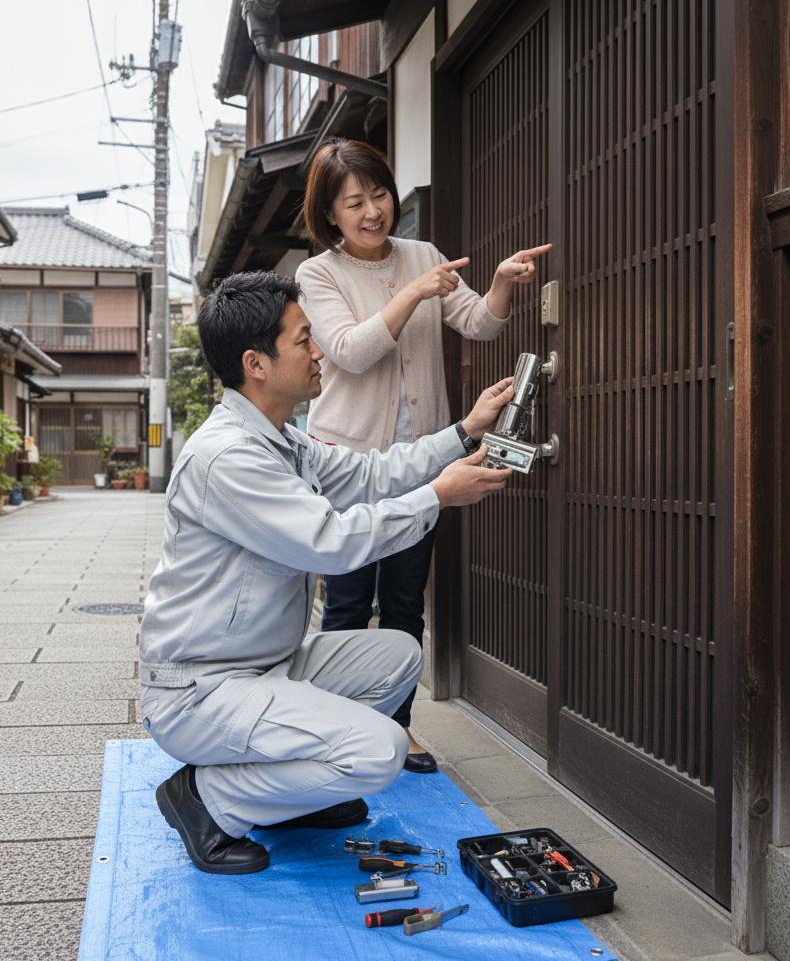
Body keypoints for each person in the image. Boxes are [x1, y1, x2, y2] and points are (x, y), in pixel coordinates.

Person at [139, 270, 515, 875]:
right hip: (200, 689)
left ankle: (289, 800)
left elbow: (370, 476)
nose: (319, 352)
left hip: (267, 665)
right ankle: (207, 799)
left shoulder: (282, 439)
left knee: (398, 655)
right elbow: (331, 543)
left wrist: (463, 432)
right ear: (255, 363)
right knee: (381, 750)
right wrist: (439, 497)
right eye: (303, 339)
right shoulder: (229, 456)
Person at [296, 138, 552, 772]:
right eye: (353, 203)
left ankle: (399, 726)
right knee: (351, 602)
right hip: (348, 464)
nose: (372, 211)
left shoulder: (422, 254)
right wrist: (413, 293)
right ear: (331, 213)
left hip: (427, 456)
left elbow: (480, 324)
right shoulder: (317, 274)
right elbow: (350, 350)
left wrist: (496, 284)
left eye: (379, 194)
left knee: (407, 601)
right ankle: (339, 725)